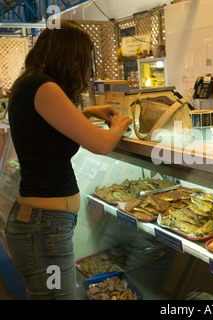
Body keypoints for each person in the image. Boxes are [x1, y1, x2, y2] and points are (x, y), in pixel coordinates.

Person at [5, 20, 132, 300]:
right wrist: (119, 125)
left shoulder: (30, 84)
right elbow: (101, 144)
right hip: (44, 230)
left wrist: (86, 114)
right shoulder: (44, 87)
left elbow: (47, 132)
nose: (85, 70)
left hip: (42, 226)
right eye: (85, 60)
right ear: (71, 57)